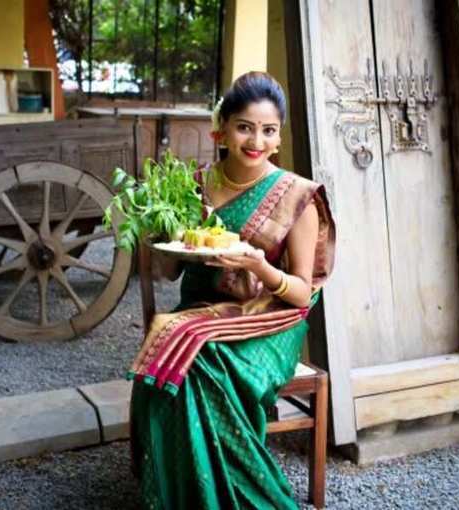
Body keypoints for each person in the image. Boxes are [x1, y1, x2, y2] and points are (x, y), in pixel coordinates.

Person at [128, 71, 336, 509]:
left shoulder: (296, 196)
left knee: (195, 364)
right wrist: (165, 236)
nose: (255, 140)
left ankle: (234, 495)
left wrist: (261, 266)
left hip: (268, 322)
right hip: (199, 312)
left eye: (268, 130)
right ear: (220, 130)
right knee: (174, 360)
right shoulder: (192, 185)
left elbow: (301, 293)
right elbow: (168, 272)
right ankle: (182, 495)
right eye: (244, 127)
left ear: (278, 138)